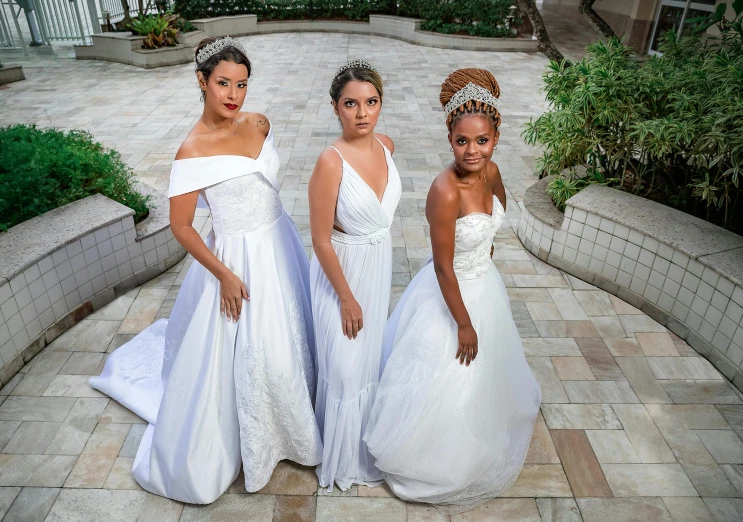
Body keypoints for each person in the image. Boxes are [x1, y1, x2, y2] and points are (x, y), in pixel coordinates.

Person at [89, 36, 322, 504]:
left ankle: (300, 418)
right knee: (260, 351)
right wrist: (224, 274)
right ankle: (267, 441)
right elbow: (181, 227)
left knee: (294, 333)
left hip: (280, 244)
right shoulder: (191, 151)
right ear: (201, 81)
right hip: (238, 258)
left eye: (241, 84)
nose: (234, 95)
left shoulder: (259, 123)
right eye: (222, 83)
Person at [363, 68, 542, 514]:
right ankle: (436, 454)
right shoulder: (444, 191)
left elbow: (496, 213)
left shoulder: (494, 171)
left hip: (484, 282)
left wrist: (486, 252)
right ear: (449, 139)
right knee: (446, 372)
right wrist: (463, 323)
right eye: (462, 141)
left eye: (482, 140)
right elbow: (443, 265)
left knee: (488, 375)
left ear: (496, 137)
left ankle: (480, 431)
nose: (473, 151)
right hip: (451, 293)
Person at [308, 59, 402, 492]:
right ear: (335, 108)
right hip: (341, 272)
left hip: (376, 266)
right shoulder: (330, 162)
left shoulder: (386, 145)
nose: (362, 113)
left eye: (371, 102)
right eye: (351, 103)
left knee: (367, 361)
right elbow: (321, 240)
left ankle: (365, 439)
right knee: (344, 368)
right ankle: (342, 457)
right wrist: (345, 297)